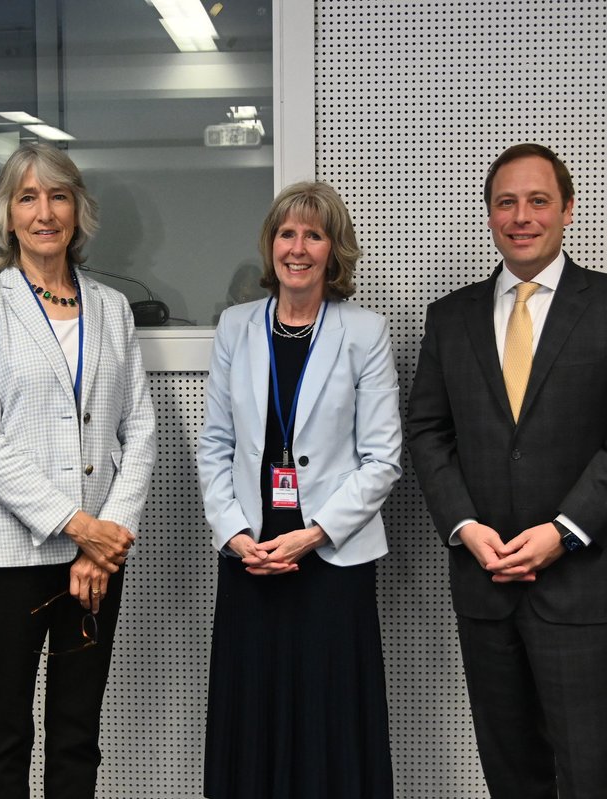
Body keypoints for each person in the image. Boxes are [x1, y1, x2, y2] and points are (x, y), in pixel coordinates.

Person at [404, 143, 607, 798]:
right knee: (511, 774)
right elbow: (427, 431)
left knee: (589, 773)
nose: (521, 216)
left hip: (582, 583)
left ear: (567, 210)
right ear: (490, 214)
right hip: (484, 580)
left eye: (538, 200)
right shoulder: (450, 317)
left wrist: (564, 529)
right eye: (506, 202)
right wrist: (464, 525)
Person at [0, 142, 156, 798]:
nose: (45, 211)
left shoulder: (112, 309)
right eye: (28, 197)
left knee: (77, 731)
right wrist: (80, 525)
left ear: (79, 211)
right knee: (6, 732)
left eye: (58, 195)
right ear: (8, 217)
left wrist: (105, 538)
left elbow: (140, 432)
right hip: (6, 558)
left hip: (95, 563)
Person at [197, 181, 402, 799]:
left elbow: (383, 457)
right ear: (271, 245)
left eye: (314, 234)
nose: (299, 247)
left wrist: (312, 536)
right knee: (252, 713)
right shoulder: (236, 327)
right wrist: (235, 535)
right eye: (287, 233)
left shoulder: (363, 331)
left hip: (331, 559)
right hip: (251, 558)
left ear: (334, 250)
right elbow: (216, 445)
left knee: (328, 718)